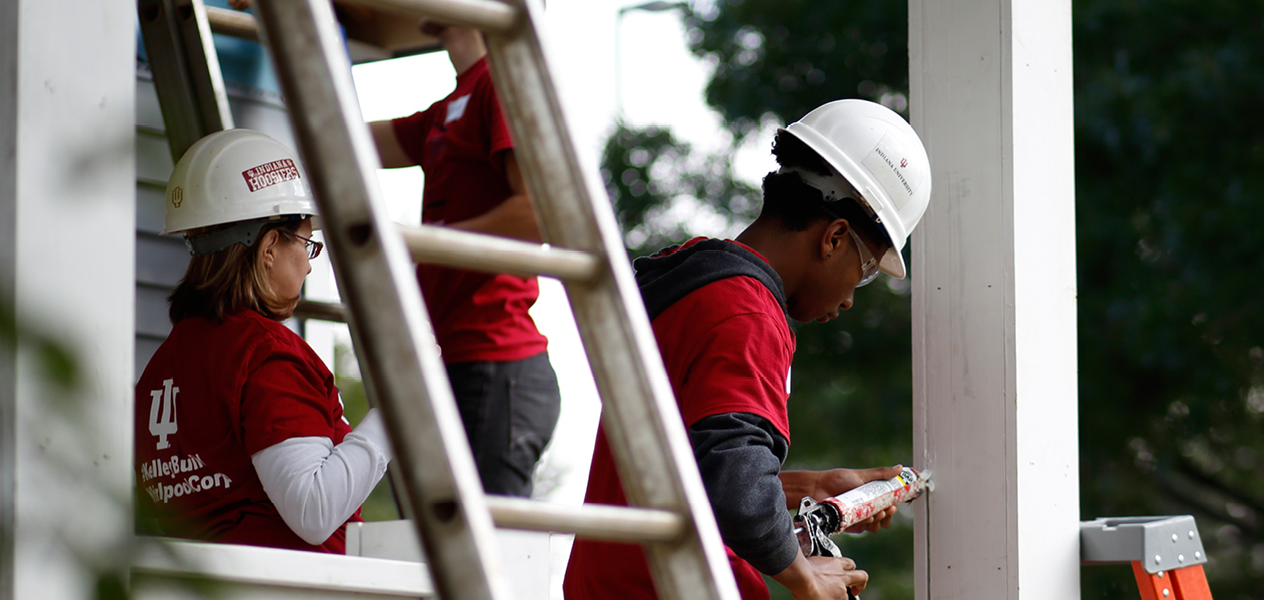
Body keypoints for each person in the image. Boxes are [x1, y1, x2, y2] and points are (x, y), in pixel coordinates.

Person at [564, 99, 933, 600]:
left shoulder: (694, 287)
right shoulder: (750, 314)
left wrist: (812, 489)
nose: (849, 298)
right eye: (865, 272)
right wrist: (806, 578)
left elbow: (694, 474)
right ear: (835, 237)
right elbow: (737, 488)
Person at [135, 129, 392, 553]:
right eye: (308, 244)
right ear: (270, 245)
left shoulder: (166, 362)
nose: (309, 268)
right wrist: (396, 415)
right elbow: (314, 510)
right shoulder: (265, 353)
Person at [368, 20, 559, 497]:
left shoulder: (502, 83)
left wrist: (425, 242)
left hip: (495, 364)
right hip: (457, 359)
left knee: (487, 558)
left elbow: (539, 212)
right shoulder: (455, 101)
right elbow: (344, 140)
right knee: (442, 557)